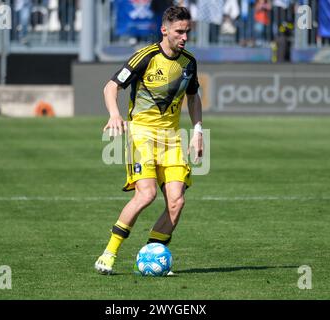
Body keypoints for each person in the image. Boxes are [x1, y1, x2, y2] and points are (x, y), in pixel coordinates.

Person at [94, 5, 203, 275]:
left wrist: (198, 130)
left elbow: (193, 96)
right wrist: (114, 114)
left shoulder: (189, 62)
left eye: (187, 32)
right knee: (147, 194)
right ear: (164, 30)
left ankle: (151, 255)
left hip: (172, 139)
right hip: (141, 134)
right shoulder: (145, 57)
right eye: (179, 32)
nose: (184, 37)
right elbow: (111, 86)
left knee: (176, 202)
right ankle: (109, 253)